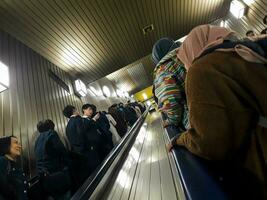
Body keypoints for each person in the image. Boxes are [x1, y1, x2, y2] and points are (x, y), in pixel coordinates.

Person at [169, 24, 267, 199]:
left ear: (191, 49)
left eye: (184, 61)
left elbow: (210, 143)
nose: (185, 66)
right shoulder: (241, 49)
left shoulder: (202, 69)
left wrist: (180, 139)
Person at [152, 37, 189, 131]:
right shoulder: (186, 55)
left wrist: (171, 120)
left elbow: (171, 101)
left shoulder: (163, 70)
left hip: (195, 116)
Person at [34, 119, 71, 199]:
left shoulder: (37, 140)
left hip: (44, 177)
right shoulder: (51, 134)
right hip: (56, 174)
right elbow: (61, 150)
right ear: (51, 127)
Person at [0, 136, 28, 200]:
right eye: (16, 143)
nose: (20, 146)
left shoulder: (15, 164)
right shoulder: (2, 161)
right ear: (6, 145)